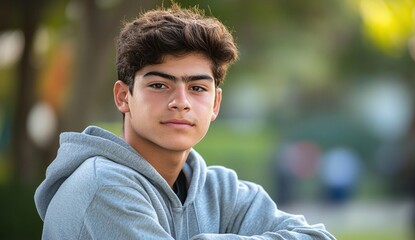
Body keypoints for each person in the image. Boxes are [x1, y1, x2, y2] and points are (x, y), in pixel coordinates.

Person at [34, 4, 335, 240]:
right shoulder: (102, 187)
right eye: (159, 85)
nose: (181, 101)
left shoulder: (221, 191)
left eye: (197, 88)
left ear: (215, 103)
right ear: (124, 96)